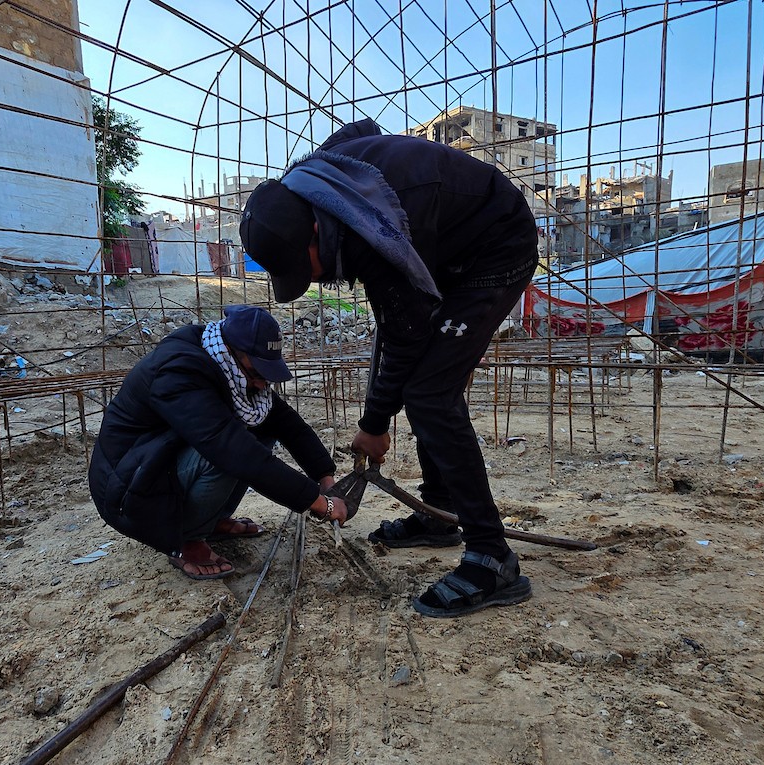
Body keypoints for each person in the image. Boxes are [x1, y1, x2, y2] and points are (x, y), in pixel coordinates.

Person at [240, 118, 538, 617]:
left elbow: (405, 337)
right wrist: (374, 415)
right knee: (426, 380)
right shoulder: (325, 184)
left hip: (496, 245)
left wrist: (374, 425)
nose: (311, 278)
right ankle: (440, 515)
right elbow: (363, 127)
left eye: (303, 265)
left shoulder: (367, 226)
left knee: (428, 393)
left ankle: (492, 556)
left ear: (315, 228)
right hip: (443, 245)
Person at [88, 304, 349, 580]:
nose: (262, 384)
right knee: (228, 453)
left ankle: (211, 520)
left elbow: (285, 422)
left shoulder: (227, 363)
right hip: (126, 488)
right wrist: (318, 502)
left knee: (260, 430)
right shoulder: (179, 371)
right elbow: (232, 451)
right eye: (258, 373)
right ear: (235, 352)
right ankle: (187, 540)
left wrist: (324, 477)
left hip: (155, 463)